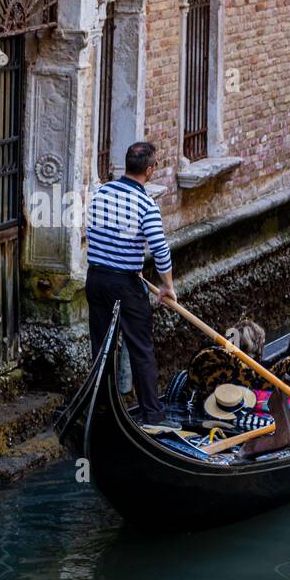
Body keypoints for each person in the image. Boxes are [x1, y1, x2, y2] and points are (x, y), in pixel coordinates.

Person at [85, 141, 176, 427]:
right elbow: (160, 251)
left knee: (101, 348)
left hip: (96, 278)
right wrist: (167, 287)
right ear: (149, 170)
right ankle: (153, 415)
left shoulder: (100, 193)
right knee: (140, 348)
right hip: (125, 283)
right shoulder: (146, 204)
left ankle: (101, 409)